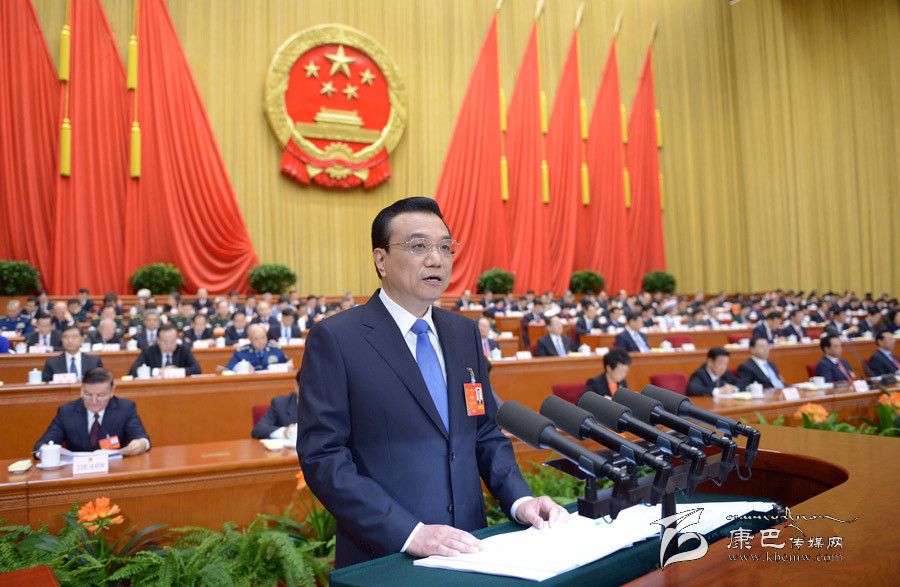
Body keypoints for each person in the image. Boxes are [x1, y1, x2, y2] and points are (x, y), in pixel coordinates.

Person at [297, 197, 565, 568]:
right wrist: (410, 533)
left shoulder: (463, 333)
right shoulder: (337, 339)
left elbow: (484, 432)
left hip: (469, 549)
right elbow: (323, 457)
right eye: (419, 246)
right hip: (386, 555)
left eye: (444, 247)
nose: (436, 259)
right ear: (381, 260)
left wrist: (521, 501)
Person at [34, 367, 149, 456]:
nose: (94, 401)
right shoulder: (67, 412)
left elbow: (142, 439)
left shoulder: (125, 408)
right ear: (81, 391)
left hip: (114, 470)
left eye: (101, 395)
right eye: (88, 395)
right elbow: (41, 445)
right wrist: (43, 450)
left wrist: (141, 444)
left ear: (112, 392)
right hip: (78, 473)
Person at [127, 323, 201, 376]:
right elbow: (133, 371)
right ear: (158, 340)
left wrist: (175, 371)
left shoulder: (184, 350)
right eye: (165, 341)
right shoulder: (149, 351)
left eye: (172, 341)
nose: (168, 345)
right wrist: (158, 371)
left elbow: (197, 369)